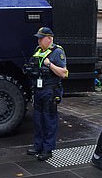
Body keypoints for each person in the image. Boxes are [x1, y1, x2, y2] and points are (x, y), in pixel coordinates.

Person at [23, 27, 68, 161]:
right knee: (37, 119)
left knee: (49, 119)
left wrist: (50, 65)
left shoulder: (57, 52)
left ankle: (47, 149)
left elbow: (64, 73)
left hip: (50, 89)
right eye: (38, 38)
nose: (39, 40)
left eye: (41, 38)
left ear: (49, 38)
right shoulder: (38, 51)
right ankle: (38, 146)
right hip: (38, 89)